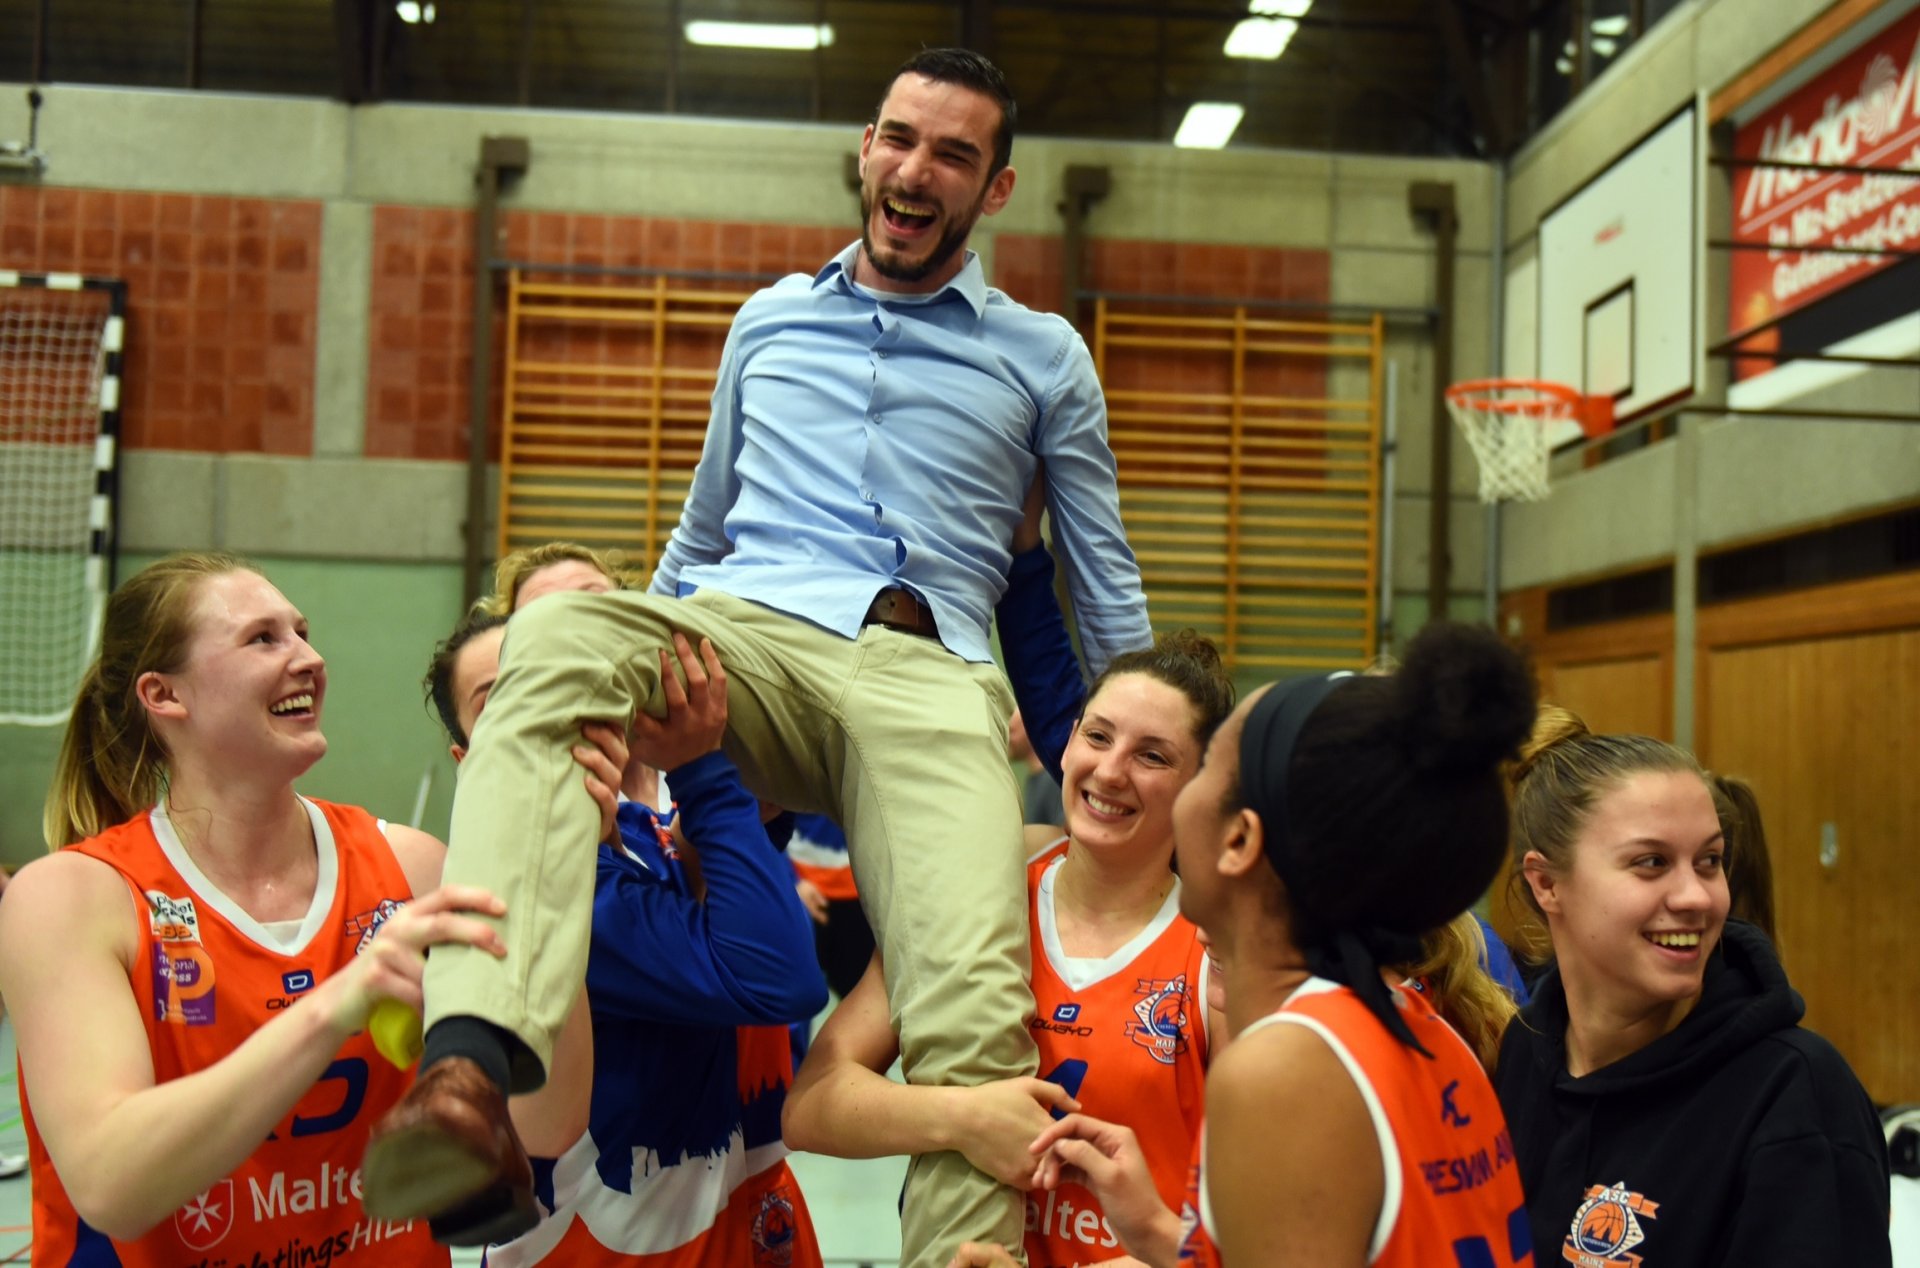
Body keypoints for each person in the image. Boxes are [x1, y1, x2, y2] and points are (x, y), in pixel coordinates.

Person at [364, 46, 1150, 1265]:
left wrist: (1157, 752)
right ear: (865, 149)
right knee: (559, 629)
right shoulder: (769, 320)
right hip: (750, 636)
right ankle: (470, 1074)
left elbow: (1100, 580)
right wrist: (638, 662)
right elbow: (699, 530)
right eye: (898, 137)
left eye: (952, 153)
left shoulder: (1043, 357)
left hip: (926, 669)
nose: (913, 168)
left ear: (994, 190)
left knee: (974, 1006)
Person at [0, 553, 538, 1265]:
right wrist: (335, 1004)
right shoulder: (72, 896)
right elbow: (111, 1185)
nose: (311, 659)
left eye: (303, 632)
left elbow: (548, 1124)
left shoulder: (410, 866)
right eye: (264, 639)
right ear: (164, 695)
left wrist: (551, 840)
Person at [1037, 623, 1538, 1266]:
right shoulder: (1420, 1027)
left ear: (1239, 842)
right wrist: (1160, 1232)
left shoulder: (1284, 1070)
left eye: (1206, 771)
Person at [784, 630, 1234, 1266]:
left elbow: (1248, 1233)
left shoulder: (1213, 954)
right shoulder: (982, 888)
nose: (1110, 770)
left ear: (1200, 786)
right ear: (1070, 737)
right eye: (1098, 736)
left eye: (1153, 756)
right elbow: (812, 1104)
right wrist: (963, 1118)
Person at [426, 611, 827, 1265]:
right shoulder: (543, 893)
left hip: (737, 1225)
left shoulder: (648, 832)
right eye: (506, 696)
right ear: (471, 759)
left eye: (560, 678)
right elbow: (780, 976)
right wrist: (704, 771)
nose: (548, 703)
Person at [1498, 707, 1890, 1267]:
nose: (1698, 897)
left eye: (1709, 861)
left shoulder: (1793, 1092)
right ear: (1546, 884)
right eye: (1652, 862)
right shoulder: (1521, 1052)